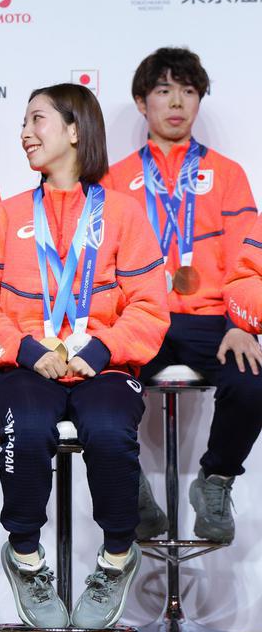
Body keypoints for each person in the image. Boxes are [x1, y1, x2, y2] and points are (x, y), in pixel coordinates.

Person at [0, 84, 169, 628]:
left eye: (37, 120)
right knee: (24, 426)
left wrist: (102, 348)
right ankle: (26, 557)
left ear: (75, 130)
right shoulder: (6, 216)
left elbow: (150, 305)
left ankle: (118, 556)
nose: (24, 132)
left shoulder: (123, 214)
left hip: (101, 366)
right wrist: (27, 350)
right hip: (29, 367)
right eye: (23, 122)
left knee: (108, 430)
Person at [105, 47, 261, 544]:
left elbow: (247, 259)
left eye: (188, 91)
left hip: (212, 317)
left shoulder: (229, 174)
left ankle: (215, 481)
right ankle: (128, 486)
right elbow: (100, 265)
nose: (177, 102)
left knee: (253, 380)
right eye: (164, 90)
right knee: (96, 391)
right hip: (139, 315)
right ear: (140, 101)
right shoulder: (114, 178)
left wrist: (243, 322)